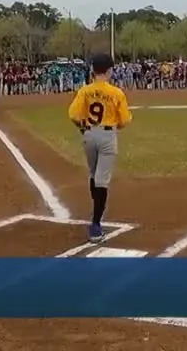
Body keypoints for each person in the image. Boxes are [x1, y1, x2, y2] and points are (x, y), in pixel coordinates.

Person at [68, 54, 133, 243]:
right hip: (107, 134)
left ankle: (96, 209)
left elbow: (73, 115)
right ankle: (96, 224)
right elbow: (125, 121)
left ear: (92, 70)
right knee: (102, 180)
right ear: (110, 70)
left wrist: (83, 127)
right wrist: (114, 127)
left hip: (89, 133)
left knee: (93, 174)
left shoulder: (85, 91)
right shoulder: (116, 92)